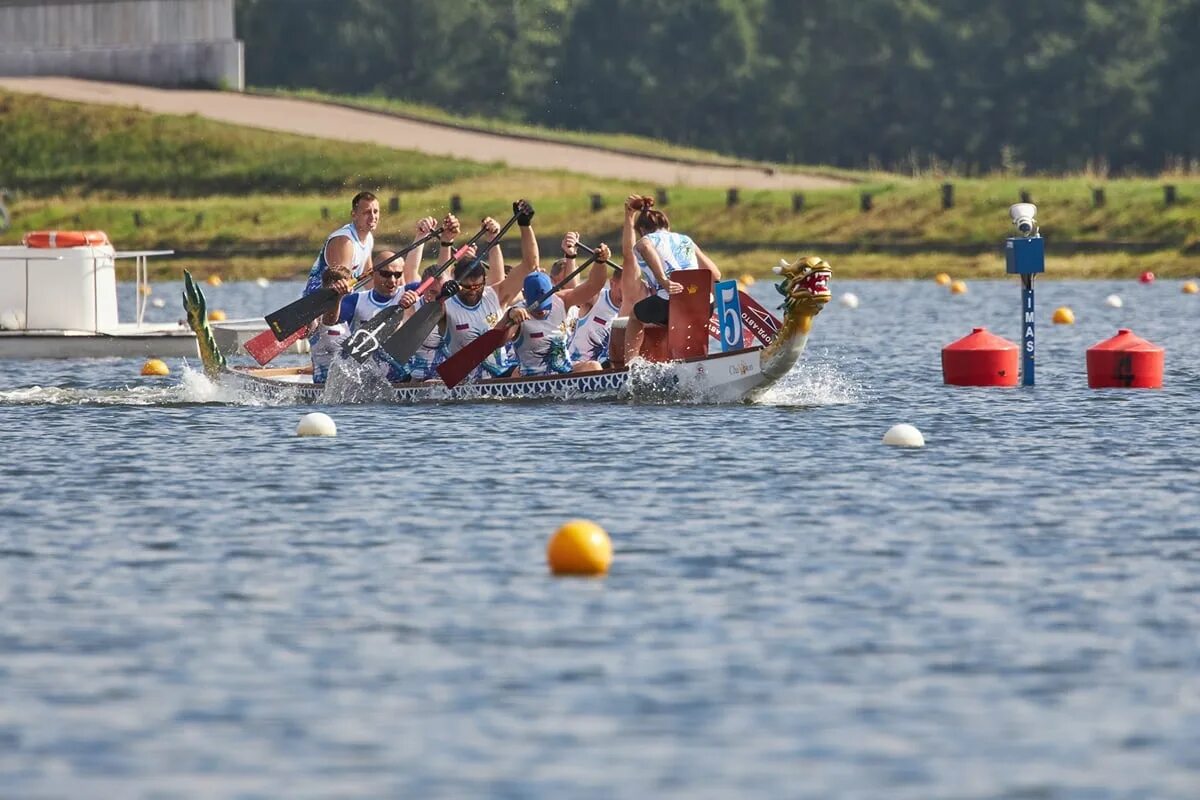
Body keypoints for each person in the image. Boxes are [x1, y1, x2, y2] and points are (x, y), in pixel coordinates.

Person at [441, 200, 539, 379]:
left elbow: (530, 265)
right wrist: (447, 242)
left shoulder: (495, 295)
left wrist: (525, 225)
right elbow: (441, 281)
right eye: (467, 287)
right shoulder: (446, 306)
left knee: (522, 372)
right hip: (462, 381)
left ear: (484, 281)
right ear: (456, 282)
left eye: (478, 286)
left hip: (500, 378)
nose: (472, 290)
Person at [620, 194, 721, 360]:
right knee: (672, 316)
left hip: (668, 303)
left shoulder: (645, 240)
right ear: (667, 225)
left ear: (642, 230)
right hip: (705, 305)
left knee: (634, 316)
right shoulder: (686, 240)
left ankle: (630, 366)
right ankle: (685, 360)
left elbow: (645, 246)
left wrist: (663, 280)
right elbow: (715, 274)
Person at [503, 241, 611, 376]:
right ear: (525, 295)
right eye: (536, 308)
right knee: (515, 374)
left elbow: (593, 286)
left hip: (564, 372)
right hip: (532, 377)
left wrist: (600, 263)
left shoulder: (562, 300)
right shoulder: (518, 312)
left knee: (593, 366)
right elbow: (498, 341)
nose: (542, 310)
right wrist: (508, 316)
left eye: (545, 305)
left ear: (552, 291)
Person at [563, 232, 625, 366]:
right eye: (622, 290)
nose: (626, 296)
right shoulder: (597, 297)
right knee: (595, 366)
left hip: (607, 368)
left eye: (630, 291)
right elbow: (572, 290)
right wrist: (570, 255)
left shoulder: (635, 306)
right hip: (577, 367)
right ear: (612, 283)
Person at [304, 191, 381, 296]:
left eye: (375, 212)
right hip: (318, 302)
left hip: (340, 300)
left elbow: (368, 277)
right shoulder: (345, 242)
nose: (373, 217)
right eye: (367, 212)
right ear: (354, 215)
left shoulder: (368, 238)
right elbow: (342, 283)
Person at [309, 264, 353, 383]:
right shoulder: (316, 316)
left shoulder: (352, 309)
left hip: (348, 381)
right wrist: (337, 297)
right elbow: (329, 321)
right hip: (324, 384)